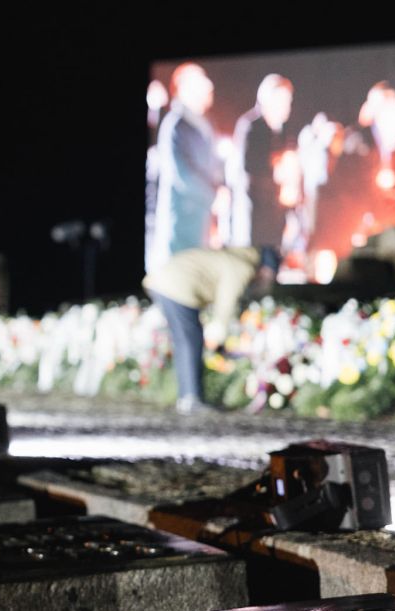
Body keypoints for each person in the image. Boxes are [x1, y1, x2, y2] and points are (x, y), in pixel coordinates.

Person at [143, 246, 279, 414]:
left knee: (186, 341)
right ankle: (191, 398)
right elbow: (226, 302)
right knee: (190, 341)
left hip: (165, 282)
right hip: (175, 286)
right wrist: (219, 337)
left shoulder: (234, 259)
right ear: (264, 269)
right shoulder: (241, 267)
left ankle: (187, 397)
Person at [148, 62, 224, 274]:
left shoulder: (206, 124)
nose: (209, 86)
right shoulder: (175, 125)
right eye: (202, 82)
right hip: (181, 229)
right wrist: (213, 196)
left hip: (200, 227)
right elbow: (182, 174)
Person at [229, 74, 294, 250]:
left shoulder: (281, 131)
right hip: (254, 213)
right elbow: (249, 167)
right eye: (282, 100)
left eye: (289, 101)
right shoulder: (250, 126)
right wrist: (276, 169)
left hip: (273, 213)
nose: (287, 106)